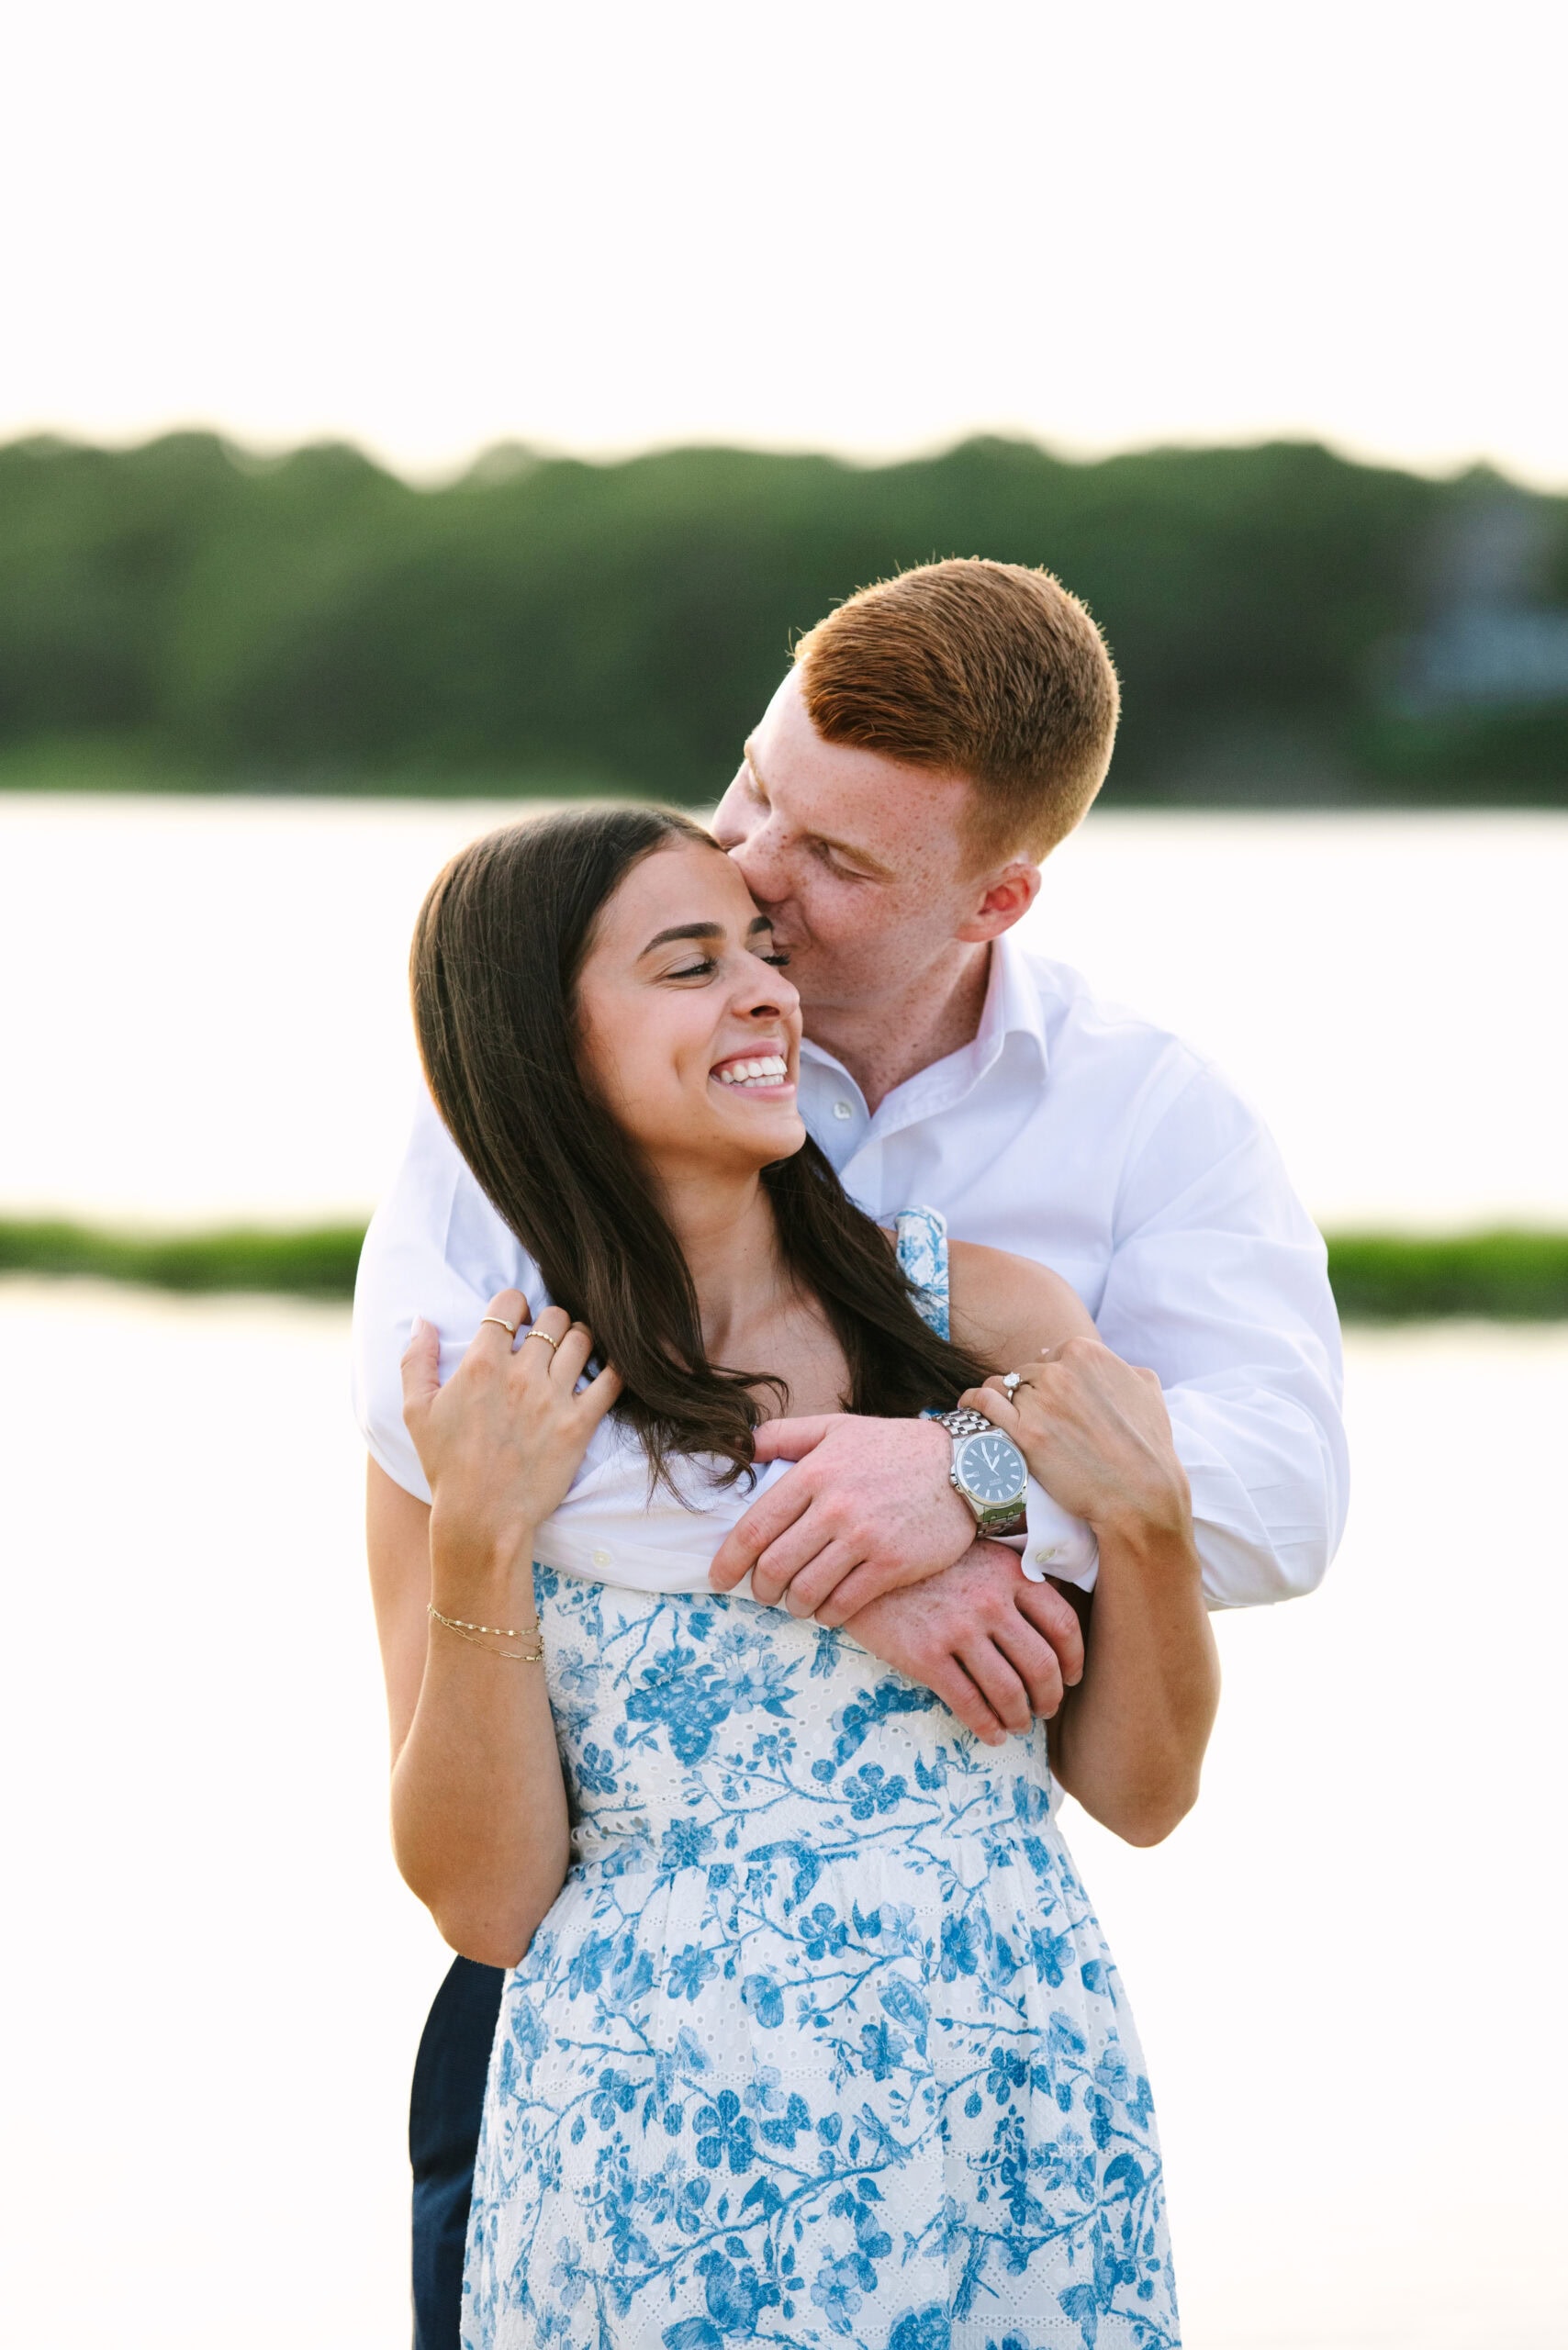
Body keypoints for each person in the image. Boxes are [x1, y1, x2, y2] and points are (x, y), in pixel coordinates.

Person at [353, 558, 1348, 2345]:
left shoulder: (1129, 1132)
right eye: (753, 784)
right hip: (611, 2028)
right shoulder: (532, 1080)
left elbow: (1265, 1489)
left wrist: (968, 1488)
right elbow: (446, 1435)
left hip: (989, 2059)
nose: (747, 868)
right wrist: (846, 1556)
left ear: (997, 896)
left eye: (829, 863)